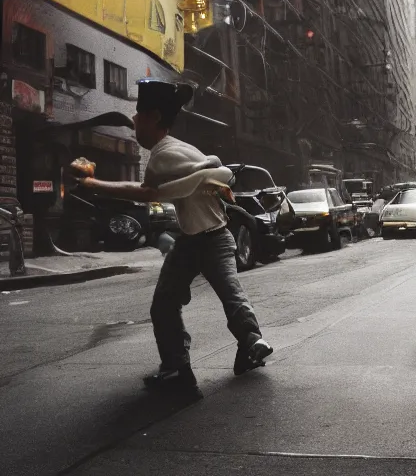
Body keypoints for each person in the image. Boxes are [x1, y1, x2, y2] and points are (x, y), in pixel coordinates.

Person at [74, 79, 272, 398]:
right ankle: (251, 342)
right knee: (230, 293)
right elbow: (208, 174)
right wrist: (214, 171)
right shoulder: (181, 148)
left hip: (200, 241)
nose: (133, 123)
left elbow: (146, 193)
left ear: (152, 117)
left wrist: (94, 184)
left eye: (137, 116)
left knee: (164, 304)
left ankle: (177, 368)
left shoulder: (162, 156)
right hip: (214, 235)